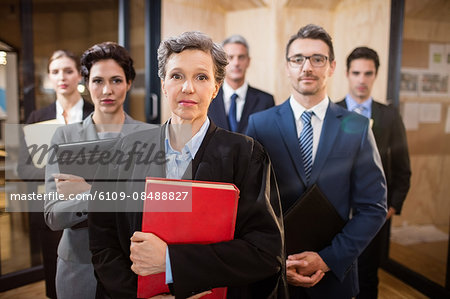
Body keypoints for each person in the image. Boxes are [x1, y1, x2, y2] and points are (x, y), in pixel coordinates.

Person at [88, 31, 286, 298]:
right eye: (177, 75)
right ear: (163, 84)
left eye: (201, 77)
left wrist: (171, 260)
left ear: (216, 87)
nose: (187, 88)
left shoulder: (247, 155)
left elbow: (265, 251)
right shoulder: (123, 152)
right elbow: (103, 242)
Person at [247, 24, 387, 298]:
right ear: (287, 67)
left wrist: (327, 259)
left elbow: (373, 207)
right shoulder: (260, 125)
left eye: (317, 59)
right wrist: (275, 258)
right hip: (274, 274)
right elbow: (249, 203)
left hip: (335, 276)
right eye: (298, 59)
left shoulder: (357, 127)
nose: (306, 67)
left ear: (332, 66)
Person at [44, 42, 149, 299]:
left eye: (116, 80)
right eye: (98, 80)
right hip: (79, 266)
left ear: (129, 82)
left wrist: (89, 191)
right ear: (87, 83)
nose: (106, 90)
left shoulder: (149, 137)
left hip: (134, 264)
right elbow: (55, 216)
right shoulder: (65, 136)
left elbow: (153, 204)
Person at [17, 49, 94, 299]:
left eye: (68, 70)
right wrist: (56, 172)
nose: (62, 77)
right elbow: (23, 168)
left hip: (90, 210)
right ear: (50, 77)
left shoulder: (96, 114)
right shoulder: (37, 118)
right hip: (51, 208)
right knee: (54, 278)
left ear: (80, 76)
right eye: (55, 71)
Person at [336, 46, 411, 299]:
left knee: (368, 278)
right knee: (334, 276)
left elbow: (402, 168)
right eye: (356, 73)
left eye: (368, 73)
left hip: (373, 215)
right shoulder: (331, 112)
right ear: (346, 73)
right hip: (335, 215)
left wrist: (389, 209)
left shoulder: (389, 116)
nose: (361, 80)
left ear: (375, 75)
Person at [208, 34, 274, 133]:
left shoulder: (265, 101)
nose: (236, 63)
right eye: (230, 57)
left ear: (248, 61)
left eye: (241, 57)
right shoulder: (208, 98)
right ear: (221, 63)